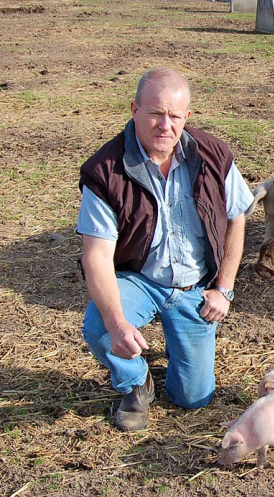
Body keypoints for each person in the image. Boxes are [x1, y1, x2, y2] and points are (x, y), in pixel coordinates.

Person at [77, 67, 253, 431]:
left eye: (174, 116)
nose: (164, 125)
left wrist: (223, 288)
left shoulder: (214, 154)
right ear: (134, 109)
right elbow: (95, 255)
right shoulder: (105, 170)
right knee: (99, 325)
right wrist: (117, 322)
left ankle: (180, 347)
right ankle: (135, 383)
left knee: (193, 398)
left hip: (194, 287)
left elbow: (238, 217)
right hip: (140, 279)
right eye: (155, 113)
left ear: (186, 117)